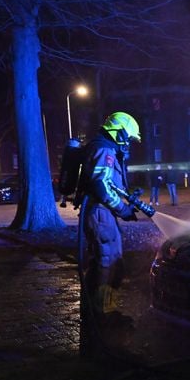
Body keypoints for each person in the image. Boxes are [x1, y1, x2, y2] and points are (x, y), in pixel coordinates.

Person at [77, 111, 141, 358]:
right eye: (129, 138)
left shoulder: (104, 148)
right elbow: (102, 185)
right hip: (101, 213)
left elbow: (109, 183)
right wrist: (123, 208)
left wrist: (126, 199)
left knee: (109, 259)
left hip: (102, 213)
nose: (129, 144)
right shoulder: (105, 150)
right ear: (121, 132)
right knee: (108, 260)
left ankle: (100, 311)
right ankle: (101, 314)